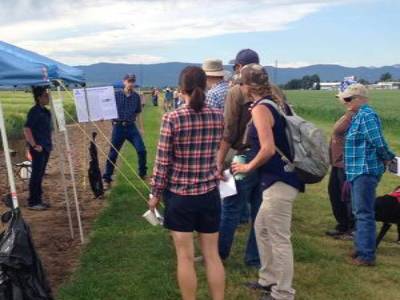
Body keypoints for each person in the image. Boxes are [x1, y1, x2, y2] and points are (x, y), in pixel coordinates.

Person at [149, 66, 225, 300]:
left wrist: (155, 193)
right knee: (212, 255)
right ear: (205, 86)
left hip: (181, 196)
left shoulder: (172, 118)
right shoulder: (218, 116)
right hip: (209, 194)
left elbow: (163, 162)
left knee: (185, 257)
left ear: (181, 88)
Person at [232, 64, 303, 300]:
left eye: (239, 83)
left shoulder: (261, 109)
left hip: (279, 181)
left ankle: (283, 292)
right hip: (276, 181)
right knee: (261, 228)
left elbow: (268, 149)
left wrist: (247, 167)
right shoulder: (270, 103)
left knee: (279, 238)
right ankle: (269, 279)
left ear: (247, 86)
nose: (238, 87)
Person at [217, 49, 288, 267]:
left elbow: (228, 131)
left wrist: (219, 161)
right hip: (270, 159)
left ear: (240, 68)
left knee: (230, 208)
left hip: (242, 157)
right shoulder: (276, 91)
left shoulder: (236, 91)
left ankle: (219, 256)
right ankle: (254, 258)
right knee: (259, 210)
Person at [342, 84, 395, 266]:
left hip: (364, 170)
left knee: (364, 213)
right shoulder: (359, 116)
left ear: (359, 98)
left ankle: (366, 256)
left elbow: (377, 141)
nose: (345, 102)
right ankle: (361, 248)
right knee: (360, 211)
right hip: (358, 170)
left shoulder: (366, 115)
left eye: (348, 99)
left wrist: (388, 158)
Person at [103, 74, 147, 189]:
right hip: (118, 128)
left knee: (141, 150)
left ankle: (142, 173)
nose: (131, 83)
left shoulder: (136, 97)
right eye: (129, 81)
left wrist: (141, 128)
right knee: (113, 154)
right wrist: (103, 116)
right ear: (124, 82)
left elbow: (138, 113)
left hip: (132, 127)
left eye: (133, 81)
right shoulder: (115, 95)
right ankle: (107, 178)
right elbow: (106, 107)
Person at [326, 96, 355, 239]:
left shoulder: (355, 116)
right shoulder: (347, 114)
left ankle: (352, 228)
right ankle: (343, 225)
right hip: (337, 162)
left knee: (347, 196)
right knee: (335, 193)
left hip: (346, 163)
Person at [24, 86, 52, 211]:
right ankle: (33, 202)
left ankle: (38, 200)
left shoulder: (45, 111)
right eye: (45, 95)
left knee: (40, 174)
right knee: (36, 174)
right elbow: (27, 129)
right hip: (38, 148)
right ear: (39, 97)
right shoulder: (34, 111)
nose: (48, 97)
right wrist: (34, 145)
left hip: (45, 147)